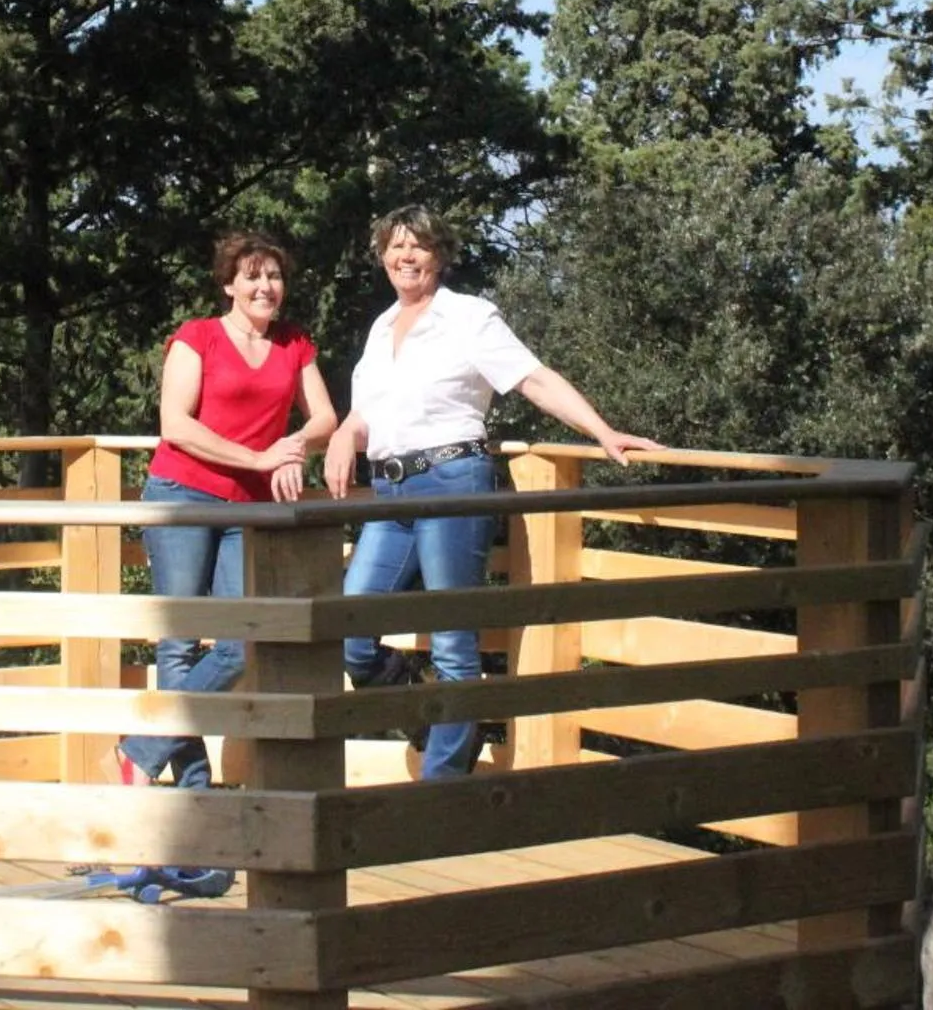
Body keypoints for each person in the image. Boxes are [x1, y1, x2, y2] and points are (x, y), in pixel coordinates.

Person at [323, 204, 657, 779]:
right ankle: (440, 719)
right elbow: (365, 414)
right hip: (391, 492)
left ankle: (443, 789)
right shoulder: (380, 329)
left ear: (440, 255)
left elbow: (534, 378)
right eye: (395, 247)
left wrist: (601, 431)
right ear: (382, 255)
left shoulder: (469, 317)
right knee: (350, 631)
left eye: (419, 246)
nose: (406, 257)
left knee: (454, 642)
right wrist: (341, 438)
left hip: (453, 482)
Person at [118, 229, 336, 791]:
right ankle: (192, 792)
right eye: (253, 276)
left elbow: (325, 419)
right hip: (183, 494)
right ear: (229, 284)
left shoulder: (294, 344)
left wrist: (291, 448)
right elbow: (176, 425)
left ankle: (141, 750)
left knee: (245, 637)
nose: (266, 287)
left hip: (249, 508)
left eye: (274, 276)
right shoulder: (198, 338)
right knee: (182, 643)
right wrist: (260, 458)